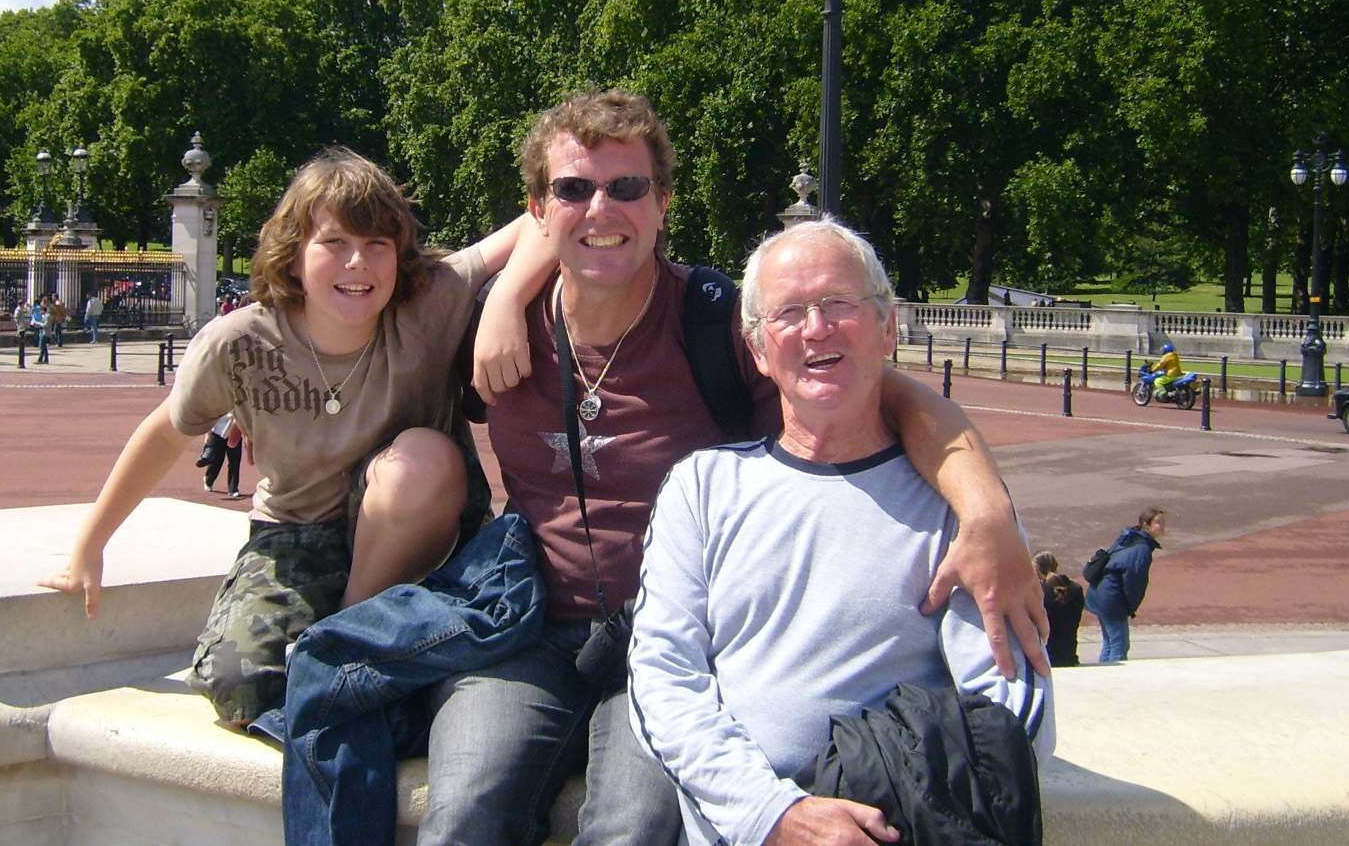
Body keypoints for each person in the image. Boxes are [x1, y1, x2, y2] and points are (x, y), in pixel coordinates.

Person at [421, 90, 1048, 846]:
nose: (600, 209)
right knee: (461, 812)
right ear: (538, 207)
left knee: (636, 825)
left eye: (626, 188)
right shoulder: (495, 326)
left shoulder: (718, 321)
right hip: (526, 627)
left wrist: (984, 513)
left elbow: (880, 393)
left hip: (658, 641)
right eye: (573, 189)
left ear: (661, 205)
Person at [39, 147, 549, 728]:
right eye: (335, 243)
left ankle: (346, 638)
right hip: (295, 536)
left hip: (418, 528)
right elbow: (165, 433)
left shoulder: (427, 301)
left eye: (378, 245)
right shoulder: (239, 342)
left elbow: (545, 216)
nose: (358, 263)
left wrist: (505, 297)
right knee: (236, 686)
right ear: (295, 252)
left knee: (422, 459)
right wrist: (91, 545)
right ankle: (355, 654)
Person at [628, 220, 1053, 846]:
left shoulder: (960, 510)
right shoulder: (701, 487)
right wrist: (771, 815)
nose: (816, 329)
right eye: (789, 312)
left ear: (888, 326)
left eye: (838, 304)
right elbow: (663, 680)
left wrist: (883, 806)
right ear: (757, 349)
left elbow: (1010, 701)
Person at [1087, 506, 1167, 663]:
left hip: (1099, 593)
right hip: (1111, 598)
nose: (1162, 526)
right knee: (1119, 646)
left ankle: (1103, 676)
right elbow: (1134, 581)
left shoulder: (1128, 537)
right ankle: (1112, 681)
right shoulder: (1142, 549)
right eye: (1158, 522)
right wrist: (1129, 607)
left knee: (1110, 643)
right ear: (1145, 524)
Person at [1035, 551, 1085, 667]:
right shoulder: (1076, 589)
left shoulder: (1040, 592)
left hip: (1048, 656)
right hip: (1069, 654)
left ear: (1037, 570)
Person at [198, 413, 244, 499]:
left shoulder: (239, 404)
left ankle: (233, 489)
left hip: (234, 434)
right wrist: (207, 434)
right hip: (217, 434)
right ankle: (208, 480)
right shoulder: (219, 404)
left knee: (235, 462)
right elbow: (209, 418)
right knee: (217, 461)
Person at [32, 296, 51, 364]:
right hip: (43, 332)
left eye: (41, 310)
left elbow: (46, 325)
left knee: (42, 347)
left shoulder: (47, 316)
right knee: (44, 347)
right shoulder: (44, 316)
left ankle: (41, 359)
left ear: (43, 310)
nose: (40, 311)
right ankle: (46, 359)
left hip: (45, 333)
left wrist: (38, 323)